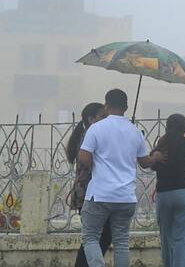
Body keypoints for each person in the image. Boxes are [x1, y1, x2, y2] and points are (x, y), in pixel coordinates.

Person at [77, 89, 163, 267]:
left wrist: (98, 163)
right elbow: (145, 163)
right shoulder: (135, 131)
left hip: (99, 195)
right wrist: (155, 158)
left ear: (106, 105)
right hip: (126, 197)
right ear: (126, 107)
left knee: (90, 237)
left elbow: (84, 158)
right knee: (121, 242)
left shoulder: (96, 128)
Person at [66, 102, 109, 267]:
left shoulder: (91, 134)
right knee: (95, 238)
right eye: (102, 117)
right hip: (89, 191)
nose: (106, 120)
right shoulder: (90, 136)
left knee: (94, 238)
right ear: (91, 119)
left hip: (89, 190)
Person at [152, 113, 185, 267]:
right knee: (182, 239)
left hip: (164, 192)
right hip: (182, 191)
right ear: (184, 128)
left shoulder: (162, 144)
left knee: (166, 238)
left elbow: (152, 163)